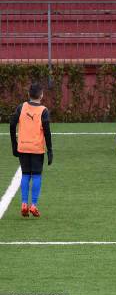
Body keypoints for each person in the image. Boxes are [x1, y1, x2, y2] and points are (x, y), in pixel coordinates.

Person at [9, 83, 53, 218]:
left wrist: (14, 144)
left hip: (23, 147)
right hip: (36, 149)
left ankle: (23, 203)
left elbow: (11, 124)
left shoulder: (21, 107)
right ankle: (33, 205)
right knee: (37, 176)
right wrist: (50, 150)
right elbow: (47, 132)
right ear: (41, 95)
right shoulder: (43, 111)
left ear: (29, 94)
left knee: (26, 175)